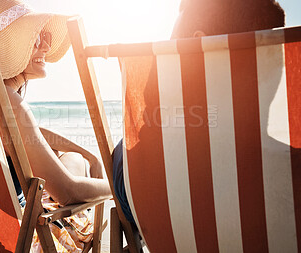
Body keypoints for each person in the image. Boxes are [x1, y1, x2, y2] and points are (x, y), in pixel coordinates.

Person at [113, 0, 286, 225]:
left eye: (173, 41)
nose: (166, 52)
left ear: (198, 44)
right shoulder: (286, 178)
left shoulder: (150, 181)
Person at [0, 0, 111, 250]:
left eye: (46, 35)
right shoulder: (12, 105)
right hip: (24, 238)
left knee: (74, 158)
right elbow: (66, 192)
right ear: (9, 46)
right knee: (75, 182)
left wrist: (88, 154)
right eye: (37, 38)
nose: (48, 46)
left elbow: (28, 134)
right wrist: (121, 187)